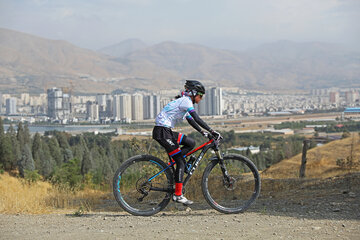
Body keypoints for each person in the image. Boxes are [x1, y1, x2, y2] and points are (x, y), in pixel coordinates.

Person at [152, 80, 220, 205]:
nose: (201, 99)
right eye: (200, 96)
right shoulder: (186, 101)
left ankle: (176, 162)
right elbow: (196, 118)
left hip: (165, 131)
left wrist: (202, 132)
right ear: (194, 93)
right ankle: (178, 195)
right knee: (181, 162)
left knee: (190, 143)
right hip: (162, 132)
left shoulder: (183, 101)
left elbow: (190, 120)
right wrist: (211, 130)